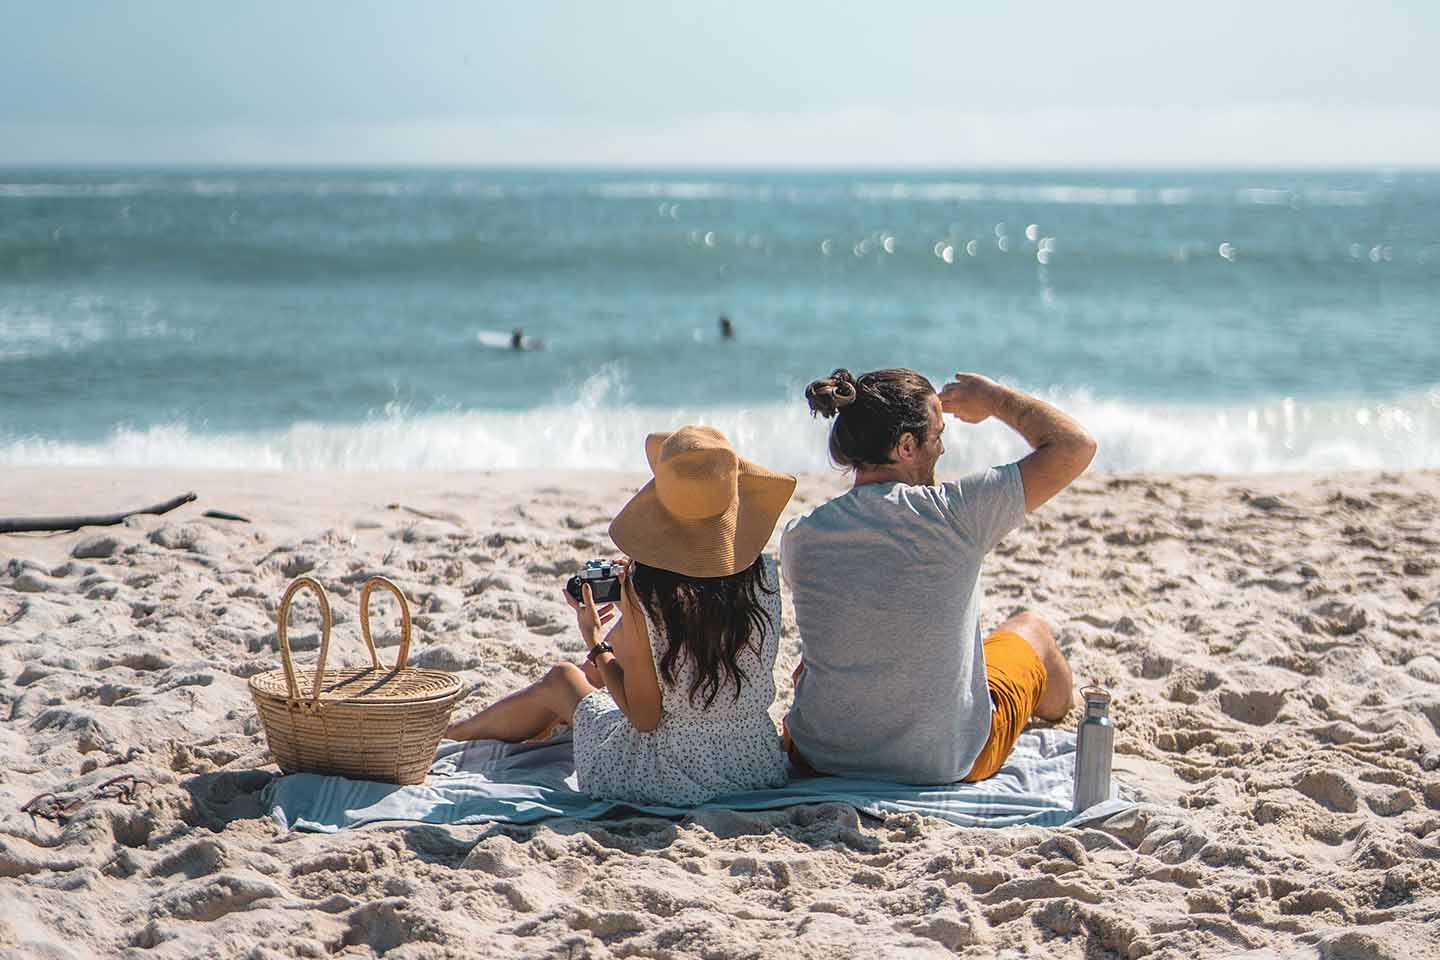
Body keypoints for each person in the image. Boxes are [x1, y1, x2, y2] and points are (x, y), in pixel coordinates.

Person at [446, 425, 797, 806]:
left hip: (670, 776)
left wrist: (596, 640)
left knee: (563, 678)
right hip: (754, 763)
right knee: (601, 670)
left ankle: (455, 734)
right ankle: (475, 730)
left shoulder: (650, 591)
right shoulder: (763, 572)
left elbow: (644, 719)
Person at [781, 368, 1097, 784]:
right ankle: (1062, 705)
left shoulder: (802, 534)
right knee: (1032, 630)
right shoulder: (956, 514)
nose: (943, 448)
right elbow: (1075, 446)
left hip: (820, 753)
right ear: (906, 446)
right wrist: (995, 399)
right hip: (941, 761)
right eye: (937, 435)